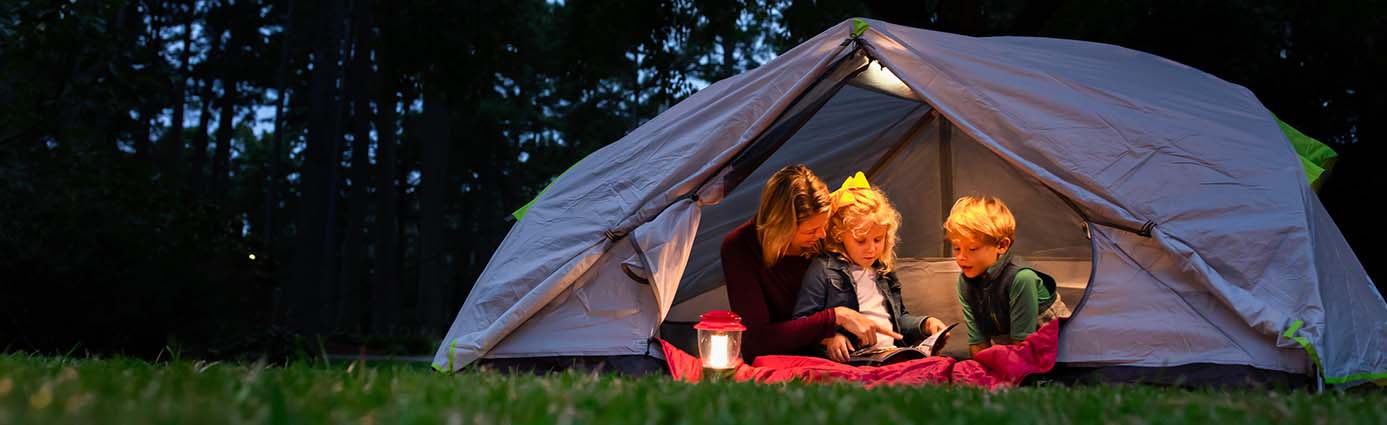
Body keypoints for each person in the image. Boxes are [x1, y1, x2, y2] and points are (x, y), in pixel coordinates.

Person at [721, 165, 899, 361]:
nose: (822, 235)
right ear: (782, 227)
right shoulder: (740, 247)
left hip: (840, 354)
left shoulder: (822, 235)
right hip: (783, 359)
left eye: (824, 226)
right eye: (810, 231)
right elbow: (756, 343)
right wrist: (835, 317)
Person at [793, 172, 949, 362]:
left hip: (891, 354)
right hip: (854, 359)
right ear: (840, 235)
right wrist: (829, 338)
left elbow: (899, 319)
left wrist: (925, 324)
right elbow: (802, 322)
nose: (872, 249)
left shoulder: (883, 271)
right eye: (861, 241)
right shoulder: (823, 269)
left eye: (878, 239)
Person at [944, 196, 1070, 357]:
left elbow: (1022, 346)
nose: (961, 257)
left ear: (1002, 245)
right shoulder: (965, 283)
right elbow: (977, 341)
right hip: (1014, 351)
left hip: (1058, 354)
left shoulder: (1021, 279)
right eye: (956, 248)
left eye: (972, 249)